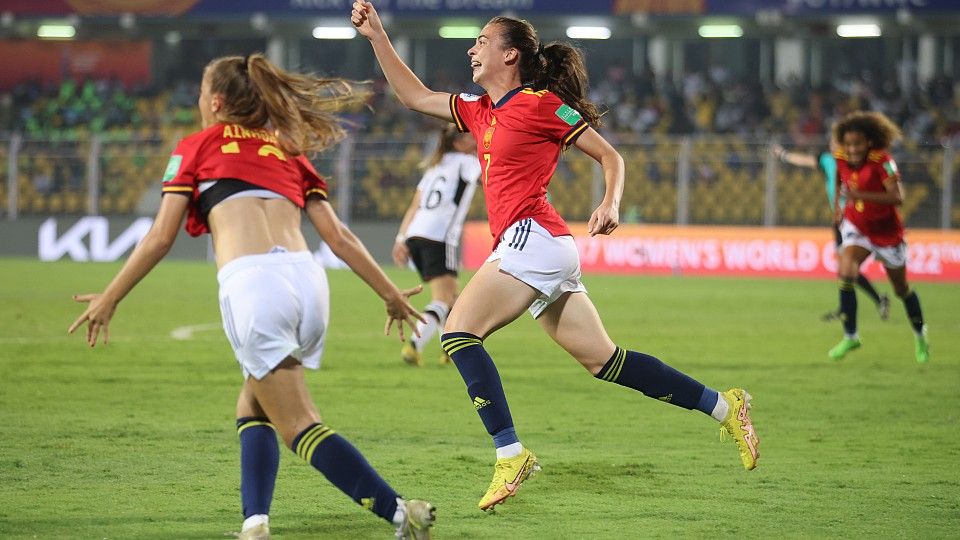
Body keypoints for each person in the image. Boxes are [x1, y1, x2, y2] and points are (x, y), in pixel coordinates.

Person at [351, 1, 760, 513]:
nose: (471, 48)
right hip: (538, 247)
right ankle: (726, 407)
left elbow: (611, 155)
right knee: (605, 361)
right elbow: (413, 95)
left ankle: (510, 452)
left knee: (458, 332)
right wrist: (377, 37)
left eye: (481, 40)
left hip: (534, 238)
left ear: (511, 55)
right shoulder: (478, 111)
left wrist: (609, 201)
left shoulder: (543, 104)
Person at [68, 53, 435, 540]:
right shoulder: (288, 150)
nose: (199, 101)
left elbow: (160, 237)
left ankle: (398, 513)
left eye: (201, 93)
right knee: (253, 403)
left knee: (299, 423)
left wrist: (111, 296)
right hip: (309, 282)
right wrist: (389, 293)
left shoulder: (197, 146)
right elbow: (339, 237)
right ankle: (255, 523)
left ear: (216, 102)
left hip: (254, 283)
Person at [826, 111, 930, 363]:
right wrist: (840, 208)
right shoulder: (840, 157)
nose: (852, 149)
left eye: (857, 144)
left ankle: (920, 333)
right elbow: (840, 179)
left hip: (887, 233)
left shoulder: (882, 161)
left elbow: (898, 197)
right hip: (857, 226)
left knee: (901, 289)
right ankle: (851, 336)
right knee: (846, 270)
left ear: (869, 142)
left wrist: (858, 196)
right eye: (848, 144)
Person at [393, 125, 481, 366]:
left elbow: (414, 205)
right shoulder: (466, 162)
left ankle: (451, 351)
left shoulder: (435, 167)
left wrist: (401, 239)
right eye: (470, 135)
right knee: (443, 300)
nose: (475, 137)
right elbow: (491, 175)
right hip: (441, 236)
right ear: (458, 143)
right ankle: (414, 346)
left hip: (415, 235)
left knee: (453, 297)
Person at [772, 142, 890, 322]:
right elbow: (807, 160)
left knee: (848, 268)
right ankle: (865, 303)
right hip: (839, 222)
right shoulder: (828, 160)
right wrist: (784, 155)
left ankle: (857, 307)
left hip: (854, 221)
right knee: (846, 269)